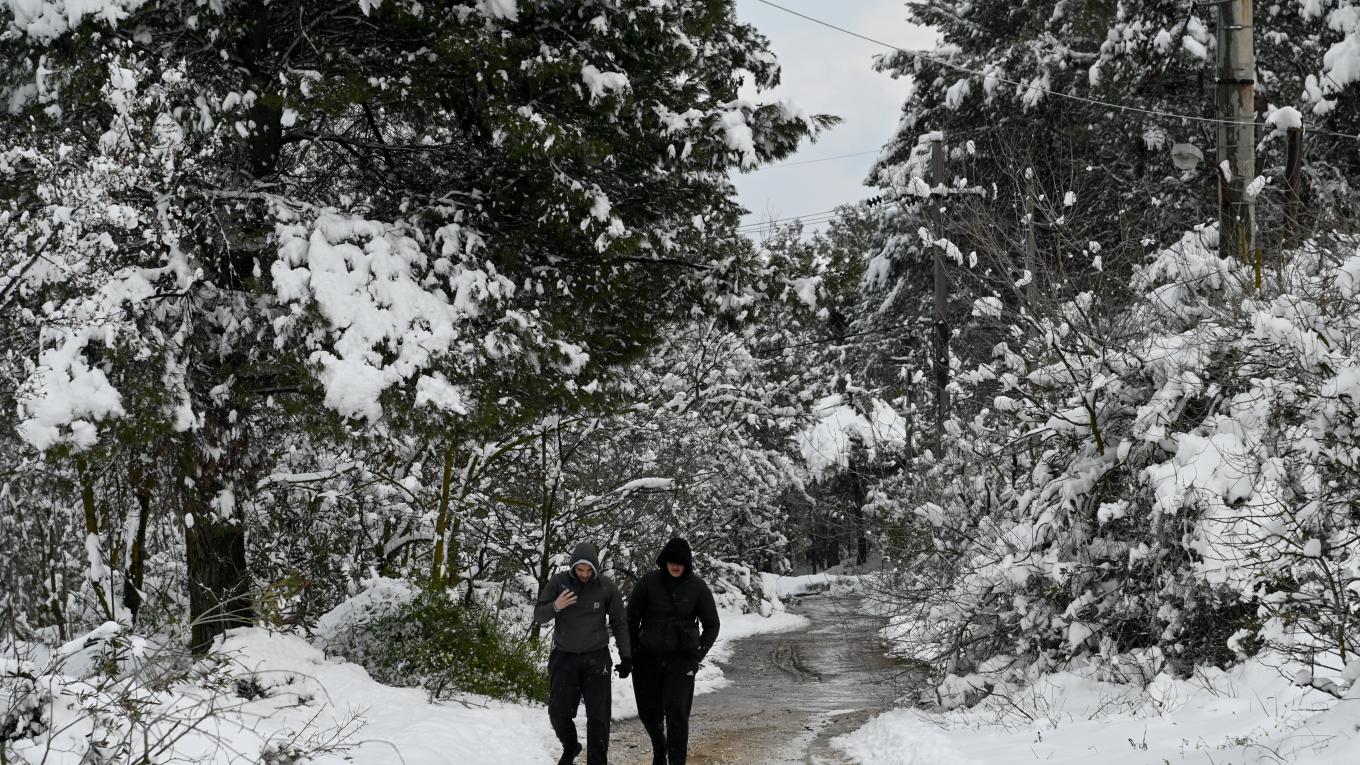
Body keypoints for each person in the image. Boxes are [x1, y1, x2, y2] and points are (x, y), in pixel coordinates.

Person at [534, 542, 632, 765]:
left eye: (589, 570)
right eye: (580, 569)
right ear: (573, 567)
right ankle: (571, 746)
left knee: (598, 717)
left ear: (595, 568)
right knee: (558, 713)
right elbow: (538, 615)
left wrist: (626, 657)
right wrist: (556, 606)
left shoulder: (606, 587)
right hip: (564, 657)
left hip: (597, 659)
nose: (585, 574)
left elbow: (619, 622)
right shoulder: (558, 582)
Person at [627, 538, 720, 765]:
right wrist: (634, 649)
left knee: (677, 716)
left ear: (687, 564)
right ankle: (660, 747)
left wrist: (697, 655)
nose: (675, 566)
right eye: (671, 561)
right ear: (664, 561)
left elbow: (712, 624)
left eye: (680, 562)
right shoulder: (649, 582)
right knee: (648, 714)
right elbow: (631, 617)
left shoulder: (698, 587)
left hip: (681, 661)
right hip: (647, 659)